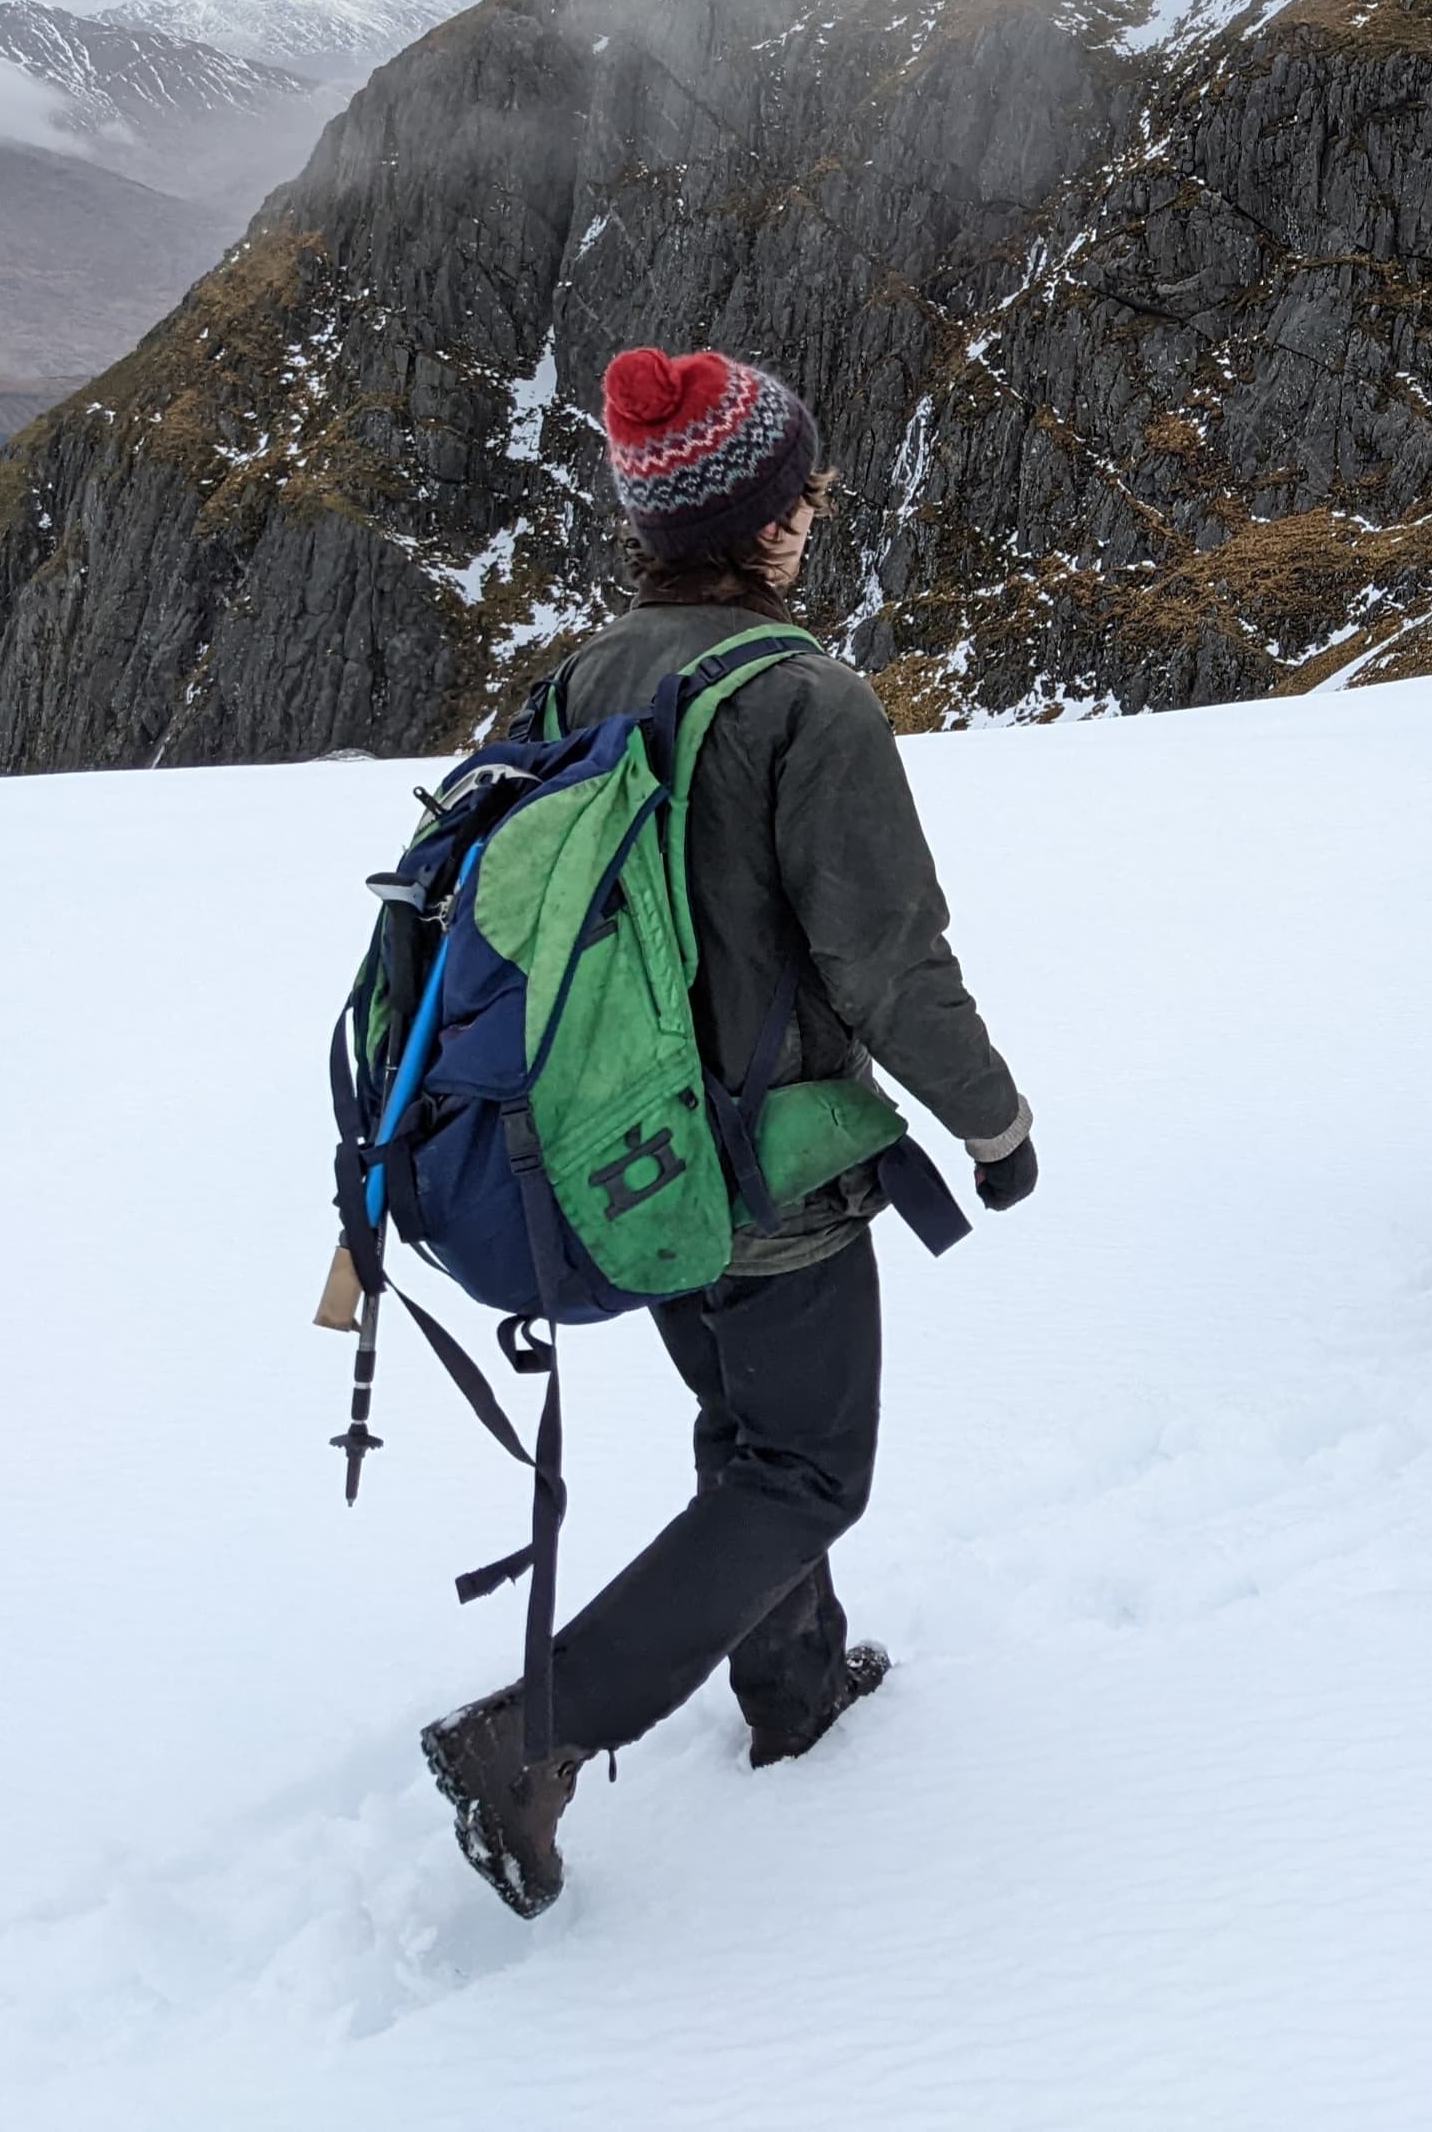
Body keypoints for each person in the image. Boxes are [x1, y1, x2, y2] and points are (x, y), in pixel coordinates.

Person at [419, 346, 1036, 1918]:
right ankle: (533, 1732)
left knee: (747, 1428)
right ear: (761, 521)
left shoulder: (576, 676)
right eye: (803, 491)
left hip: (623, 1158)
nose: (816, 513)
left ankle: (798, 1683)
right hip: (775, 1167)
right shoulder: (804, 699)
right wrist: (996, 1119)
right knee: (810, 1468)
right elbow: (887, 960)